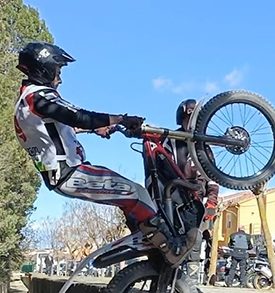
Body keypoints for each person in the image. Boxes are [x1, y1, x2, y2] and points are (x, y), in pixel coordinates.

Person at [13, 42, 198, 266]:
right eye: (58, 71)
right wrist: (120, 119)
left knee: (130, 200)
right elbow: (77, 116)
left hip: (65, 174)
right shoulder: (39, 97)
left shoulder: (26, 102)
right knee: (137, 193)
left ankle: (149, 244)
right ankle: (172, 248)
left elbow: (57, 129)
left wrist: (97, 128)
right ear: (44, 69)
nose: (60, 79)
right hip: (70, 173)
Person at [165, 99, 220, 287]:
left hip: (196, 200)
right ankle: (170, 285)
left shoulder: (205, 145)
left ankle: (191, 287)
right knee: (173, 244)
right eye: (189, 117)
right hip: (174, 197)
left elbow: (213, 177)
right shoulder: (171, 139)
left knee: (195, 243)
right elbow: (161, 168)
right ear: (182, 118)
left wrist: (212, 202)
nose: (192, 122)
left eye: (196, 118)